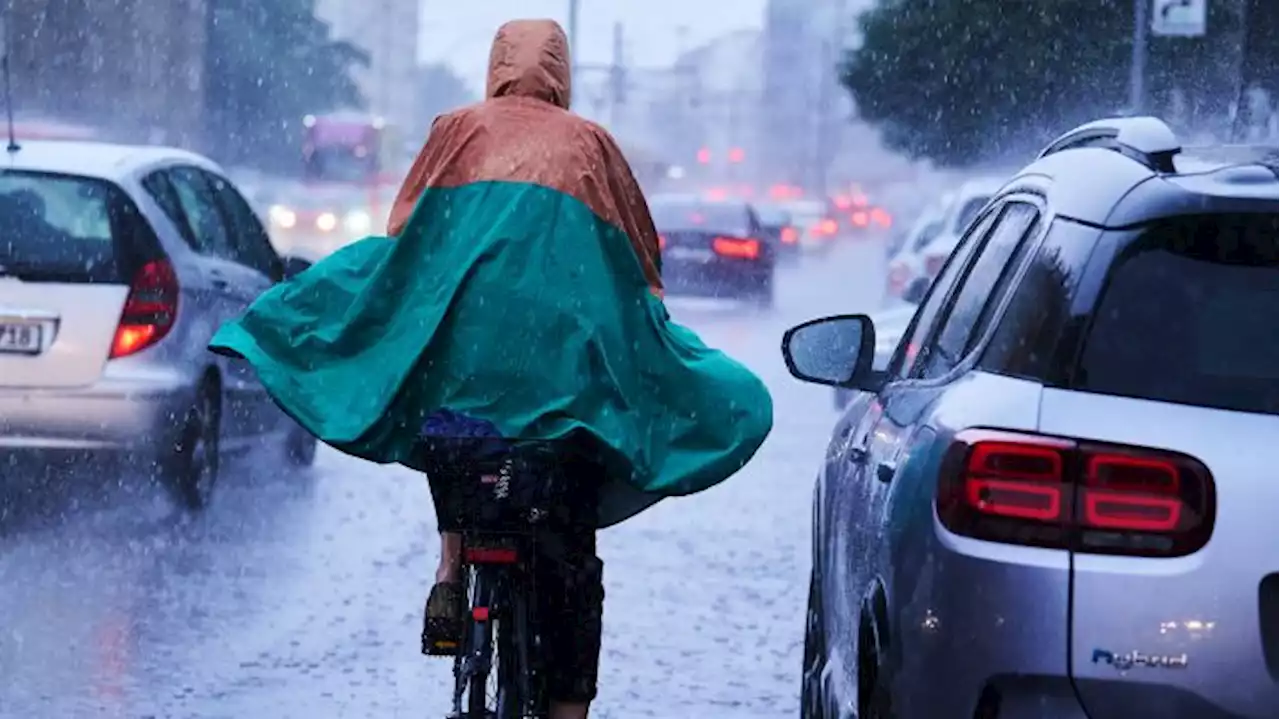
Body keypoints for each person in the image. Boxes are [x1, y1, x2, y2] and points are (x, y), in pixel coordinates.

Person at [209, 18, 772, 719]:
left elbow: (406, 238)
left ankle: (451, 566)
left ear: (496, 67)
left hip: (468, 387)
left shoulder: (456, 129)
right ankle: (567, 709)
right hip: (560, 401)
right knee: (571, 550)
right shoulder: (592, 145)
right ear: (561, 74)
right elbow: (640, 266)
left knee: (452, 424)